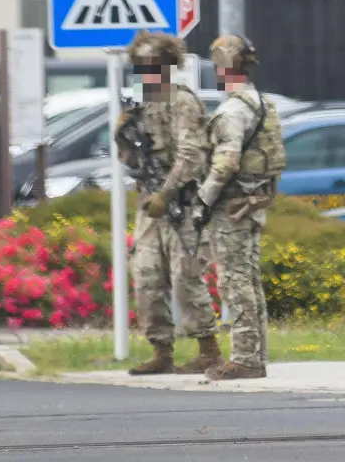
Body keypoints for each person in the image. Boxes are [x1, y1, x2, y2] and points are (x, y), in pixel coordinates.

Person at [113, 31, 217, 375]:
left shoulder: (182, 101)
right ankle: (161, 350)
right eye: (141, 66)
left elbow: (191, 155)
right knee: (145, 275)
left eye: (153, 65)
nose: (147, 71)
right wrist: (123, 138)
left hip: (183, 203)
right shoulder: (143, 106)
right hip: (151, 203)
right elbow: (133, 162)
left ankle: (208, 349)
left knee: (186, 277)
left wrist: (166, 193)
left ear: (169, 65)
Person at [193, 34, 286, 381]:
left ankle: (246, 358)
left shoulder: (233, 108)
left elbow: (227, 160)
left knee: (235, 282)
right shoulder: (258, 101)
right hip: (252, 201)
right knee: (248, 280)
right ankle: (253, 355)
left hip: (233, 205)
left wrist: (203, 199)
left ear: (223, 65)